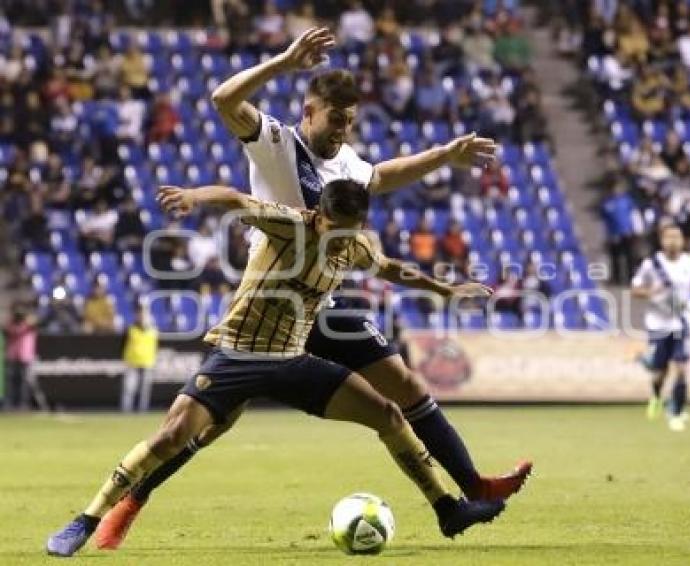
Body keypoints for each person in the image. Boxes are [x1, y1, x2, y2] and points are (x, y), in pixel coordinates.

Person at [93, 28, 531, 550]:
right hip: (272, 301)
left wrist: (443, 155)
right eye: (335, 118)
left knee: (404, 388)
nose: (343, 130)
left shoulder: (348, 165)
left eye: (350, 121)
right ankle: (130, 502)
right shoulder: (276, 141)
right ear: (309, 111)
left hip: (325, 299)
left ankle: (469, 490)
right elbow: (223, 99)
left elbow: (383, 175)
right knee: (209, 427)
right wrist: (283, 60)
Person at [46, 181, 505, 557]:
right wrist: (192, 197)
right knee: (171, 437)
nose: (336, 238)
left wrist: (443, 290)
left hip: (291, 360)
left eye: (347, 231)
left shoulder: (353, 246)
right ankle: (85, 520)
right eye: (331, 227)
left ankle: (448, 509)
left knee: (388, 414)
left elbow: (389, 268)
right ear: (317, 215)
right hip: (237, 356)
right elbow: (235, 198)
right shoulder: (288, 225)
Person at [631, 224, 690, 431]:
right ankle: (657, 395)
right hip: (658, 324)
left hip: (681, 322)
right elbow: (635, 289)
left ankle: (676, 411)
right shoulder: (651, 264)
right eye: (669, 237)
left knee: (682, 369)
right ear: (662, 240)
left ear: (683, 240)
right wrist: (650, 291)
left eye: (677, 237)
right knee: (660, 372)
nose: (673, 241)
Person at [121, 304, 158, 413]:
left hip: (147, 362)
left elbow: (155, 347)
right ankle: (126, 411)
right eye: (140, 313)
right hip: (132, 362)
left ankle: (142, 411)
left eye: (144, 313)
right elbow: (123, 345)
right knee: (129, 388)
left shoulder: (153, 330)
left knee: (144, 390)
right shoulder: (130, 329)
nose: (142, 316)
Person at [3, 305, 38, 411]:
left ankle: (23, 404)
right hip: (12, 356)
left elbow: (34, 323)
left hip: (25, 357)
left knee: (24, 382)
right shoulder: (11, 325)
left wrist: (26, 320)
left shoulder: (29, 325)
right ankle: (9, 403)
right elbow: (7, 330)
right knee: (10, 382)